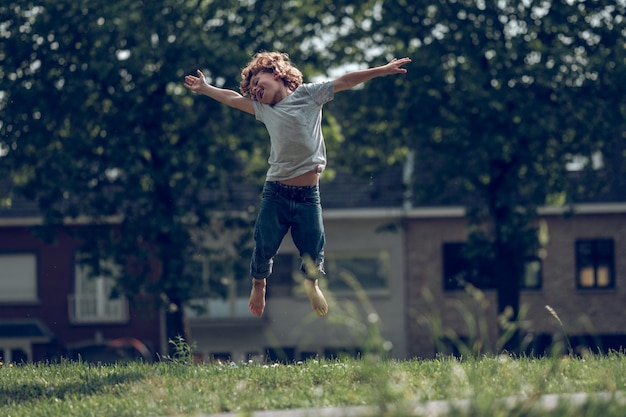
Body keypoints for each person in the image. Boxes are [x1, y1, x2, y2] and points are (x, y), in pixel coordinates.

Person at [184, 52, 411, 317]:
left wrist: (382, 70)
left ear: (277, 74)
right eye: (252, 90)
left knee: (314, 244)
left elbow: (346, 80)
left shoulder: (309, 95)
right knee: (264, 242)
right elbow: (233, 99)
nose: (255, 90)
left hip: (308, 196)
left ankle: (312, 283)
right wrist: (205, 88)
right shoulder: (263, 109)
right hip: (276, 193)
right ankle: (259, 282)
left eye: (258, 81)